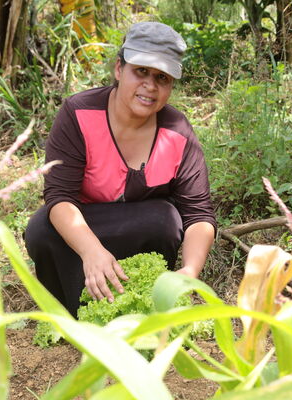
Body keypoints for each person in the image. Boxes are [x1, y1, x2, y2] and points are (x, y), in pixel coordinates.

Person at [24, 21, 216, 316]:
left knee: (166, 219)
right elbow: (59, 197)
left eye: (162, 78)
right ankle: (68, 311)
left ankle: (140, 301)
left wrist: (189, 272)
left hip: (139, 231)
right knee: (41, 229)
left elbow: (198, 215)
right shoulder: (78, 114)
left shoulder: (178, 132)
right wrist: (91, 251)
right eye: (140, 71)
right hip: (84, 230)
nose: (150, 86)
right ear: (118, 69)